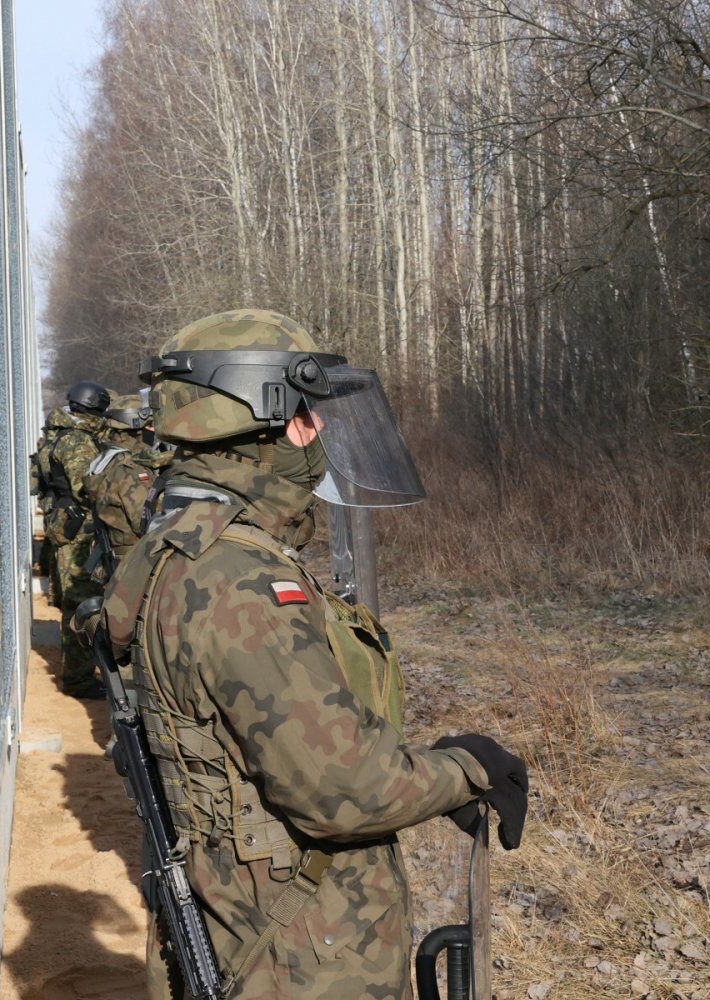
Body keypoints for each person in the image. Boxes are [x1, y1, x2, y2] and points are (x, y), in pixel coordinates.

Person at [100, 310, 528, 998]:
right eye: (306, 414)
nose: (318, 430)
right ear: (255, 422)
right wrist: (470, 769)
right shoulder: (237, 582)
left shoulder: (173, 547)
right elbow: (344, 792)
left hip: (242, 925)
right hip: (297, 958)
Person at [31, 379, 112, 696]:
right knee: (80, 602)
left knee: (75, 602)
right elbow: (85, 486)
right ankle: (78, 680)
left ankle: (78, 675)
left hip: (67, 527)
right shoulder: (77, 440)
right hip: (78, 531)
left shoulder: (60, 434)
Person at [81, 394, 174, 582]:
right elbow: (147, 523)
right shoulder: (131, 471)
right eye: (149, 426)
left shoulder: (107, 459)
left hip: (118, 560)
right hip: (134, 566)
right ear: (135, 430)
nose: (153, 431)